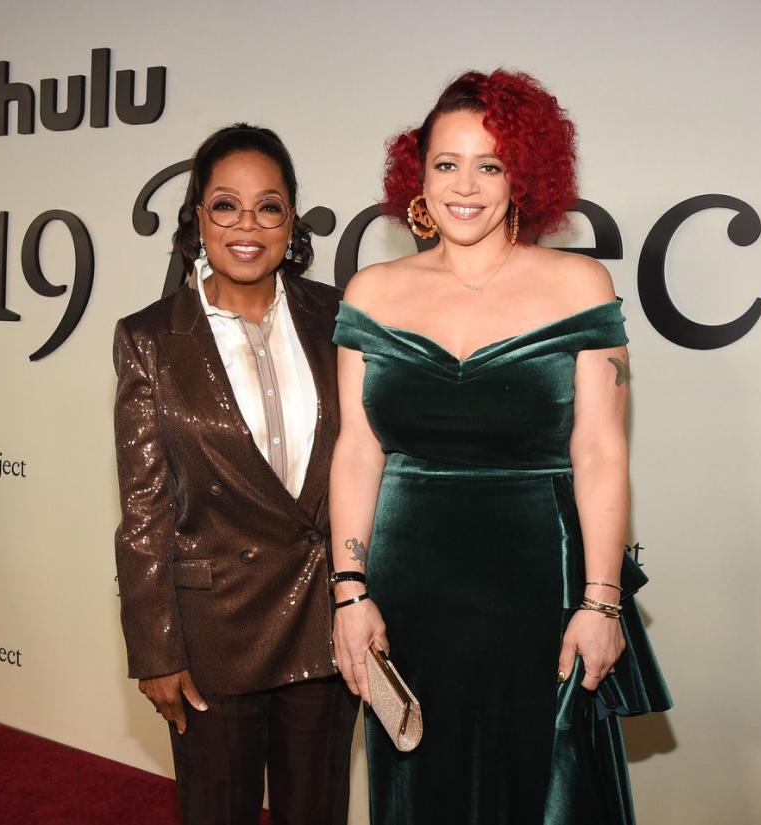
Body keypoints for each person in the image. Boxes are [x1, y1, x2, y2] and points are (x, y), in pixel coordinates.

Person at [328, 71, 672, 824]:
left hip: (540, 591)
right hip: (410, 593)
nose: (467, 186)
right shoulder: (370, 293)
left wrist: (601, 603)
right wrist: (350, 590)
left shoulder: (579, 284)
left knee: (546, 787)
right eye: (447, 163)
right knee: (423, 788)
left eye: (491, 165)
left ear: (525, 176)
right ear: (416, 175)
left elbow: (602, 453)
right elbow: (358, 449)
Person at [112, 123, 357, 825]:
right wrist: (155, 648)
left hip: (322, 621)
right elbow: (144, 509)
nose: (247, 225)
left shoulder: (339, 317)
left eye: (268, 206)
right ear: (197, 218)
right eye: (226, 205)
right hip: (212, 632)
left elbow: (371, 465)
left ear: (291, 220)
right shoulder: (151, 338)